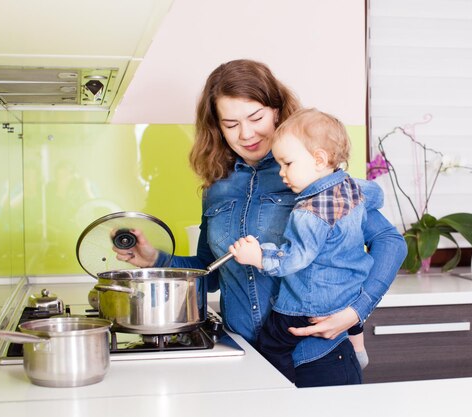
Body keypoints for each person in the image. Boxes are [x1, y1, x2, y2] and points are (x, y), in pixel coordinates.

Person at [113, 59, 407, 387]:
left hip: (318, 358)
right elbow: (209, 272)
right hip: (244, 359)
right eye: (231, 123)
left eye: (256, 117)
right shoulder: (217, 187)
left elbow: (390, 241)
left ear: (277, 111)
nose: (247, 133)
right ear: (217, 127)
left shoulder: (309, 172)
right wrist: (154, 259)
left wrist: (356, 312)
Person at [228, 108, 376, 382]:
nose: (282, 173)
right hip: (348, 293)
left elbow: (293, 260)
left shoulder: (308, 212)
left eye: (287, 163)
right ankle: (358, 344)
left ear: (319, 159)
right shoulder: (350, 186)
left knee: (272, 344)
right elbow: (376, 196)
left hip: (309, 305)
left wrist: (258, 256)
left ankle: (284, 390)